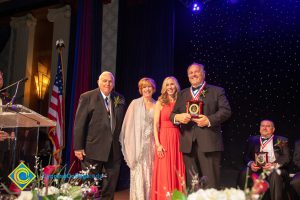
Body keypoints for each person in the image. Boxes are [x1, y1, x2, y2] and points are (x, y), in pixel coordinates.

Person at [170, 63, 231, 189]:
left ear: (203, 73)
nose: (193, 75)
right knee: (192, 183)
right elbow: (173, 114)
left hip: (209, 143)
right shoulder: (182, 94)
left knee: (211, 182)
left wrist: (209, 120)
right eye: (190, 73)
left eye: (196, 71)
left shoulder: (216, 91)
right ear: (187, 76)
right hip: (188, 144)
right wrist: (178, 117)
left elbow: (226, 111)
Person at [73, 71, 126, 200]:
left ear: (113, 84)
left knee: (110, 185)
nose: (107, 83)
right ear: (98, 82)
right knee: (90, 185)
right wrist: (78, 147)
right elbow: (79, 123)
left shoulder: (120, 98)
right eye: (104, 80)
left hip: (113, 150)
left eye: (110, 81)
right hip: (92, 148)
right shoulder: (87, 97)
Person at [120, 77, 156, 200]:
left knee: (150, 176)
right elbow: (128, 127)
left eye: (149, 86)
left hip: (152, 146)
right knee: (139, 176)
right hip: (137, 146)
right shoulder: (135, 103)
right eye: (144, 87)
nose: (147, 89)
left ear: (153, 88)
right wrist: (131, 147)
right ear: (140, 89)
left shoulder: (158, 104)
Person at [151, 76, 185, 200]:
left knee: (177, 169)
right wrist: (158, 144)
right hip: (164, 139)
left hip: (177, 138)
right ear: (164, 87)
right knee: (164, 171)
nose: (170, 87)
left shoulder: (181, 101)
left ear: (176, 86)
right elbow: (155, 125)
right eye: (167, 84)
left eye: (172, 84)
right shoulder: (160, 102)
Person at [238, 119, 290, 200]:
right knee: (245, 171)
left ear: (273, 129)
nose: (264, 128)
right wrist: (251, 163)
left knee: (275, 173)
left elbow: (286, 157)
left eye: (268, 126)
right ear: (259, 128)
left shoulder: (281, 140)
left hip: (276, 169)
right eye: (262, 126)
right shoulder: (252, 139)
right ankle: (242, 197)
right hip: (258, 169)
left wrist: (274, 165)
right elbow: (246, 156)